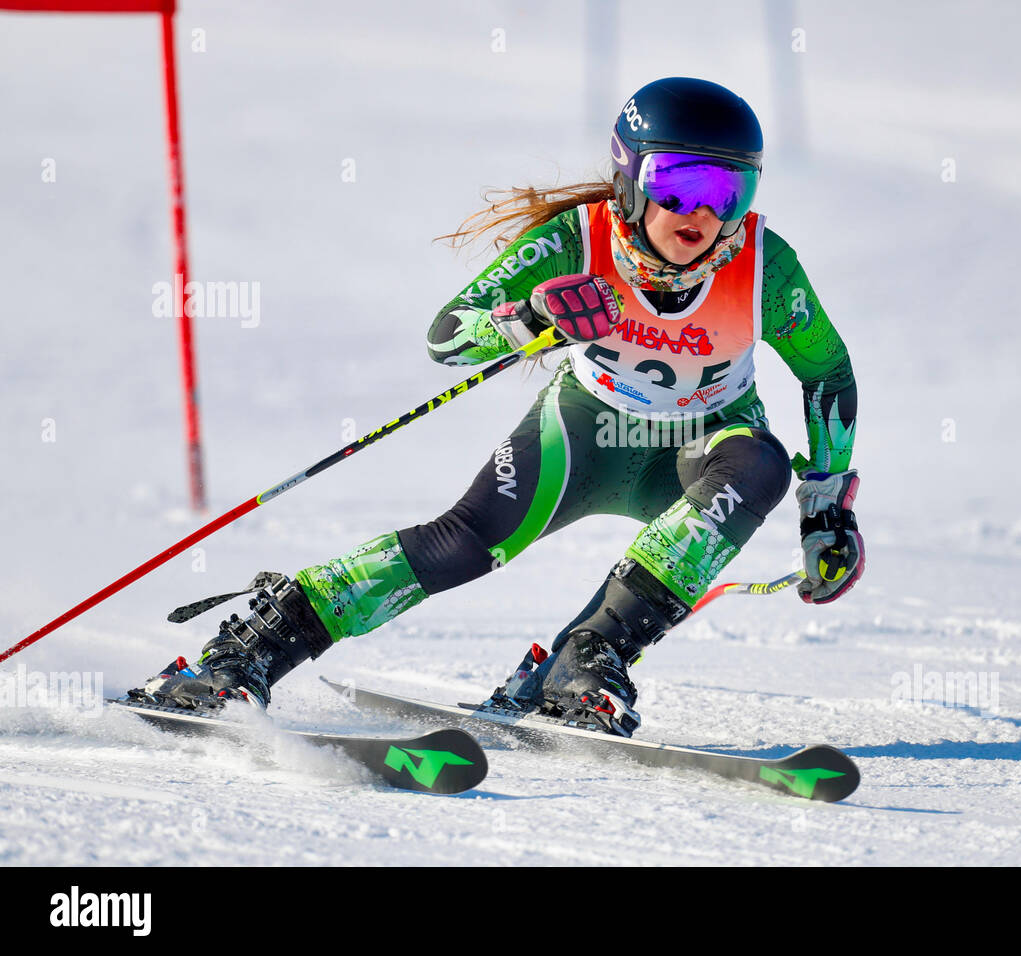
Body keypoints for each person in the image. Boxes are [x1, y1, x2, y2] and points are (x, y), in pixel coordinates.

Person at [129, 76, 863, 736]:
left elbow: (827, 372)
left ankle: (585, 661)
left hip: (704, 448)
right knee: (463, 544)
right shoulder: (577, 239)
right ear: (629, 180)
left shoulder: (765, 265)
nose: (697, 212)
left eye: (725, 192)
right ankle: (254, 647)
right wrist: (527, 318)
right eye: (674, 184)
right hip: (585, 435)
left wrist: (826, 508)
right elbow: (448, 339)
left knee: (759, 464)